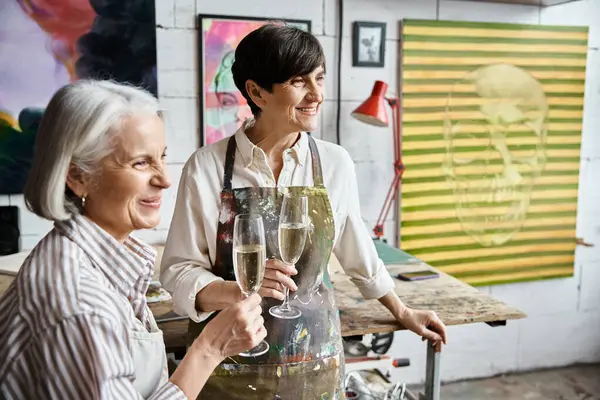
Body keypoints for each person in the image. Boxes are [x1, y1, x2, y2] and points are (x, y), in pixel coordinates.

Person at [160, 23, 447, 399]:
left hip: (315, 361)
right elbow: (178, 270)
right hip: (229, 365)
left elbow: (356, 248)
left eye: (320, 78)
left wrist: (402, 309)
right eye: (299, 81)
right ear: (256, 92)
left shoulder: (335, 163)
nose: (316, 94)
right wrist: (236, 290)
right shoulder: (207, 167)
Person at [0, 80, 266, 399]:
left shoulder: (100, 259)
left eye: (162, 157)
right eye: (140, 163)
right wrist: (210, 348)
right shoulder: (80, 305)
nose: (165, 180)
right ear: (78, 176)